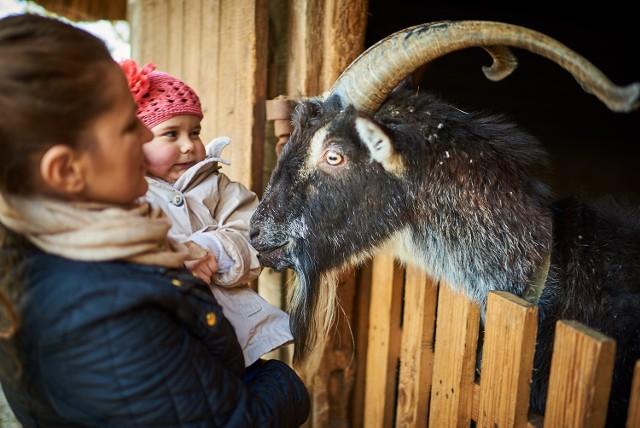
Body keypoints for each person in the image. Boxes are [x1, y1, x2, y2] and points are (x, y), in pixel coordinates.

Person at [0, 13, 309, 427]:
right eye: (129, 126)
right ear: (66, 170)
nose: (145, 137)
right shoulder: (108, 314)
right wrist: (287, 383)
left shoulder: (43, 249)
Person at [119, 59, 293, 369]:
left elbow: (256, 235)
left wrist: (213, 251)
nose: (189, 145)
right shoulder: (122, 193)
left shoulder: (217, 185)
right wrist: (172, 257)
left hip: (228, 333)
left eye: (195, 132)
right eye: (170, 134)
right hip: (156, 338)